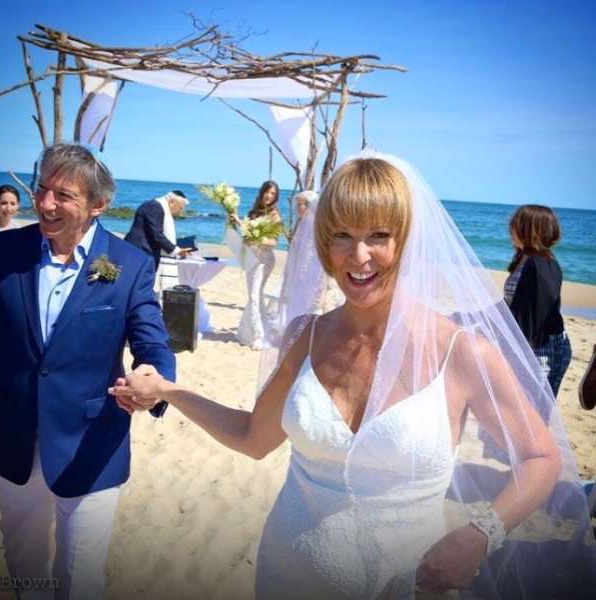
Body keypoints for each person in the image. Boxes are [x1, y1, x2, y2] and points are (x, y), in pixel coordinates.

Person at [110, 151, 596, 599]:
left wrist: (481, 534)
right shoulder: (306, 335)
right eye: (341, 234)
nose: (358, 256)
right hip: (287, 575)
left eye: (378, 236)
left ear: (406, 241)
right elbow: (253, 438)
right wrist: (171, 390)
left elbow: (540, 457)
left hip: (409, 585)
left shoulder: (461, 351)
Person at [0, 144, 176, 600]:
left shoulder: (129, 265)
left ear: (99, 205)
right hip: (13, 439)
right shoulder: (3, 251)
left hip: (91, 442)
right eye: (42, 189)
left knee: (80, 578)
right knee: (25, 565)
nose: (45, 203)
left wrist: (153, 377)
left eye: (63, 195)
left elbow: (151, 339)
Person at [505, 204, 572, 397]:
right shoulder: (526, 258)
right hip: (538, 345)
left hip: (542, 350)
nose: (510, 228)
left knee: (528, 410)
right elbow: (515, 303)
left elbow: (534, 319)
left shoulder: (538, 264)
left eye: (516, 224)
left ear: (531, 230)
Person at [234, 180, 283, 350]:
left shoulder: (275, 215)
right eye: (267, 192)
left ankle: (259, 336)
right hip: (251, 258)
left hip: (264, 259)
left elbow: (273, 242)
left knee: (254, 296)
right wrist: (238, 224)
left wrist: (257, 239)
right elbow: (246, 236)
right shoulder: (253, 213)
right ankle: (253, 331)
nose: (269, 196)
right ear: (262, 192)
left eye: (273, 194)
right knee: (256, 295)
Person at [125, 190, 192, 270]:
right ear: (171, 202)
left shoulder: (158, 207)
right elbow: (157, 235)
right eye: (180, 208)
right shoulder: (154, 207)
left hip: (144, 253)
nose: (180, 212)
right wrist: (177, 250)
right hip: (139, 253)